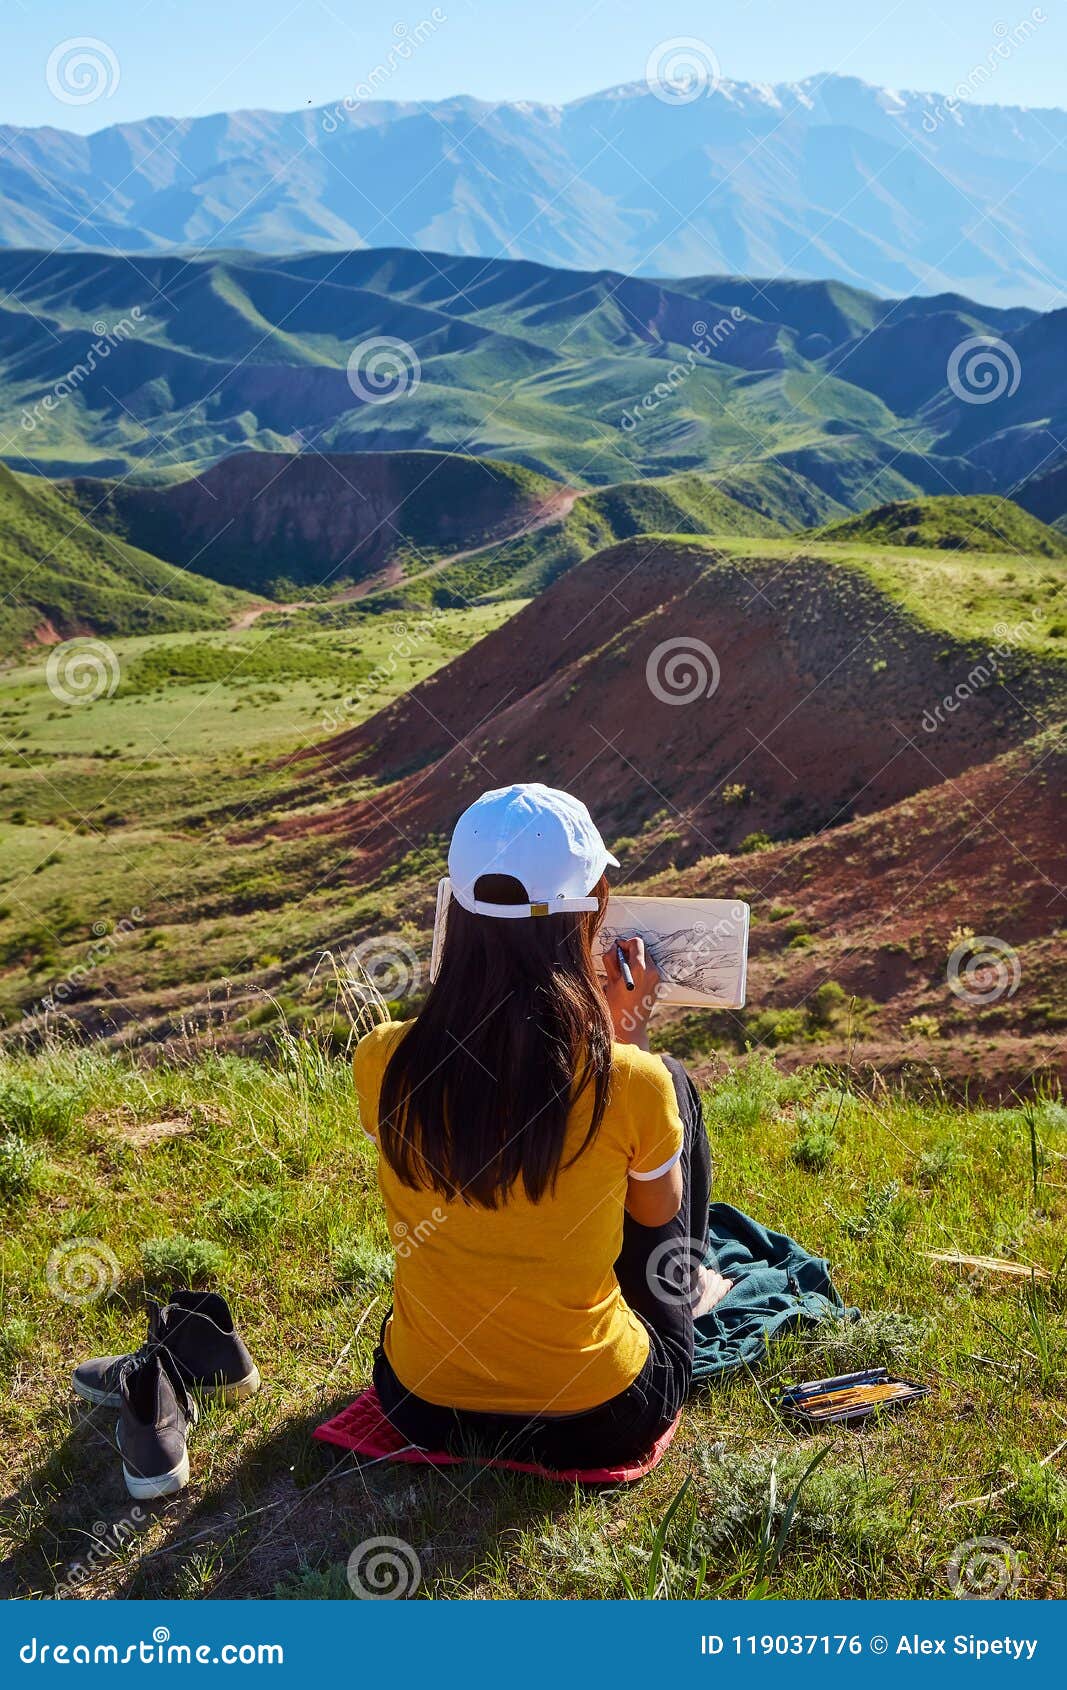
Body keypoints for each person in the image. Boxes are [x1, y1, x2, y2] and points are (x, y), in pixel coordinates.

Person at [352, 783, 730, 1471]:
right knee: (669, 1093)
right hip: (599, 1418)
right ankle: (691, 1285)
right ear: (589, 909)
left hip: (421, 1405)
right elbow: (655, 1213)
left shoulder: (382, 1058)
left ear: (457, 908)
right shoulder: (633, 1082)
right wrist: (627, 1039)